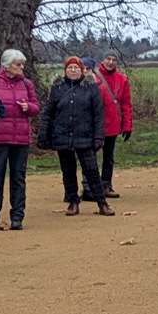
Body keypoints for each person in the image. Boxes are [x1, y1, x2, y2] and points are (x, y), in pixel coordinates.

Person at [0, 49, 39, 231]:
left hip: (20, 139)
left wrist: (29, 107)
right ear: (7, 65)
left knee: (18, 178)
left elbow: (36, 107)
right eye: (18, 64)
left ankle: (17, 217)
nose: (21, 67)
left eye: (22, 64)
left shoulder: (27, 84)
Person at [41, 56, 112, 215]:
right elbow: (49, 113)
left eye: (76, 68)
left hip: (85, 135)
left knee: (92, 171)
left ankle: (102, 203)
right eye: (70, 68)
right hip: (62, 135)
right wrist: (44, 135)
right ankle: (73, 202)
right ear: (65, 70)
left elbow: (98, 115)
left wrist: (99, 136)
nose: (73, 71)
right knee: (68, 171)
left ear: (82, 70)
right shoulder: (57, 88)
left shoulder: (91, 88)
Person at [95, 52, 132, 197]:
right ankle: (91, 187)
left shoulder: (122, 79)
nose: (110, 62)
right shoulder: (94, 77)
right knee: (90, 158)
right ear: (102, 60)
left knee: (108, 157)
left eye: (114, 60)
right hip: (95, 124)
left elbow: (126, 104)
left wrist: (128, 126)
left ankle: (106, 185)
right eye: (108, 59)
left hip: (113, 124)